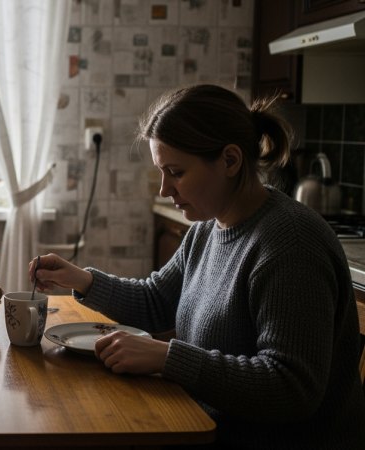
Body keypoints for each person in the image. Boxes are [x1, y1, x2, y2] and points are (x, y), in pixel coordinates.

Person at [30, 84, 365, 449]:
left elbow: (291, 388)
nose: (164, 189)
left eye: (175, 171)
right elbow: (157, 301)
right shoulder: (207, 229)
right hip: (203, 425)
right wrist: (82, 278)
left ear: (230, 161)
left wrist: (169, 358)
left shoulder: (291, 245)